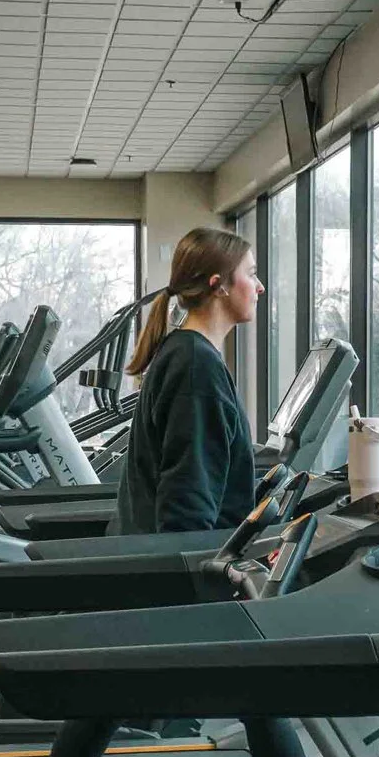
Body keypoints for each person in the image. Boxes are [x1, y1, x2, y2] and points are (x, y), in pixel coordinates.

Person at [116, 227, 262, 534]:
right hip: (190, 568)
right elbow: (186, 508)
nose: (259, 287)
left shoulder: (186, 351)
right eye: (251, 274)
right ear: (219, 285)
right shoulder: (197, 366)